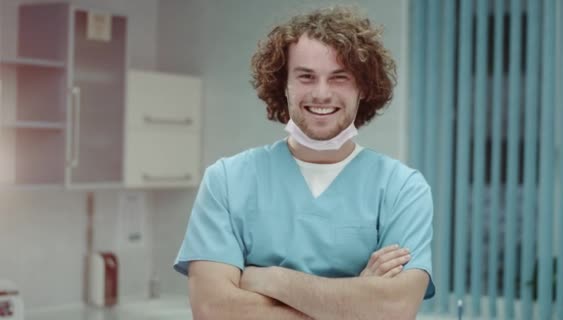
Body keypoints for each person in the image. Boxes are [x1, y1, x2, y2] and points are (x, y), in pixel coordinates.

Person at [174, 6, 435, 319]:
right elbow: (214, 309)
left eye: (339, 78)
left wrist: (269, 279)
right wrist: (353, 301)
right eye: (306, 77)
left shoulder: (402, 189)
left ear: (362, 88)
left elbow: (394, 308)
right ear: (283, 84)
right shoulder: (228, 181)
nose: (322, 93)